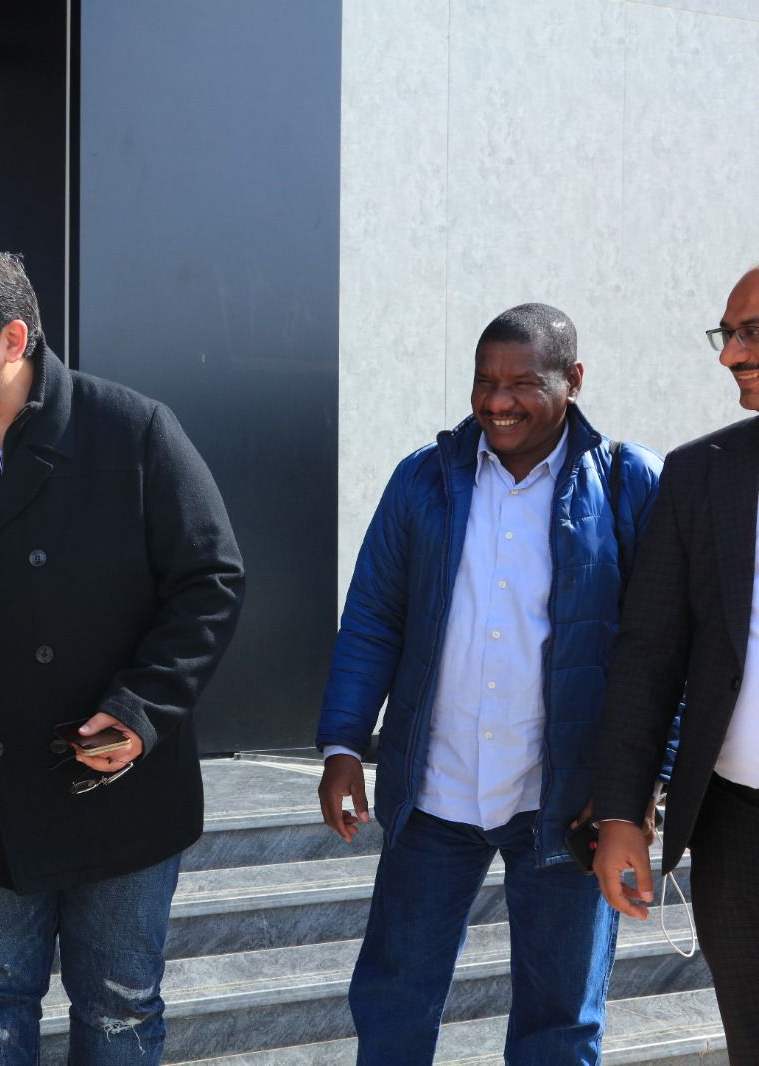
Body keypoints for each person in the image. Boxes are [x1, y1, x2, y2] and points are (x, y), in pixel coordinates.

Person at [0, 238, 244, 1064]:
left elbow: (209, 582)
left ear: (13, 339)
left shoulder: (133, 430)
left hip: (117, 778)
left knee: (120, 1009)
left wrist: (140, 711)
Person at [315, 303, 663, 1064]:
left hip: (565, 802)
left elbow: (666, 648)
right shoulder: (424, 479)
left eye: (521, 383)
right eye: (484, 381)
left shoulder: (627, 482)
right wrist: (343, 742)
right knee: (394, 998)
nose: (497, 401)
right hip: (434, 794)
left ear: (572, 380)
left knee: (560, 1021)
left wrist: (636, 790)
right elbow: (373, 617)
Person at [592, 266, 759, 1062]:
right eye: (726, 334)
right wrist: (622, 812)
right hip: (737, 834)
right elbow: (650, 653)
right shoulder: (701, 474)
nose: (729, 355)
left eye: (751, 333)